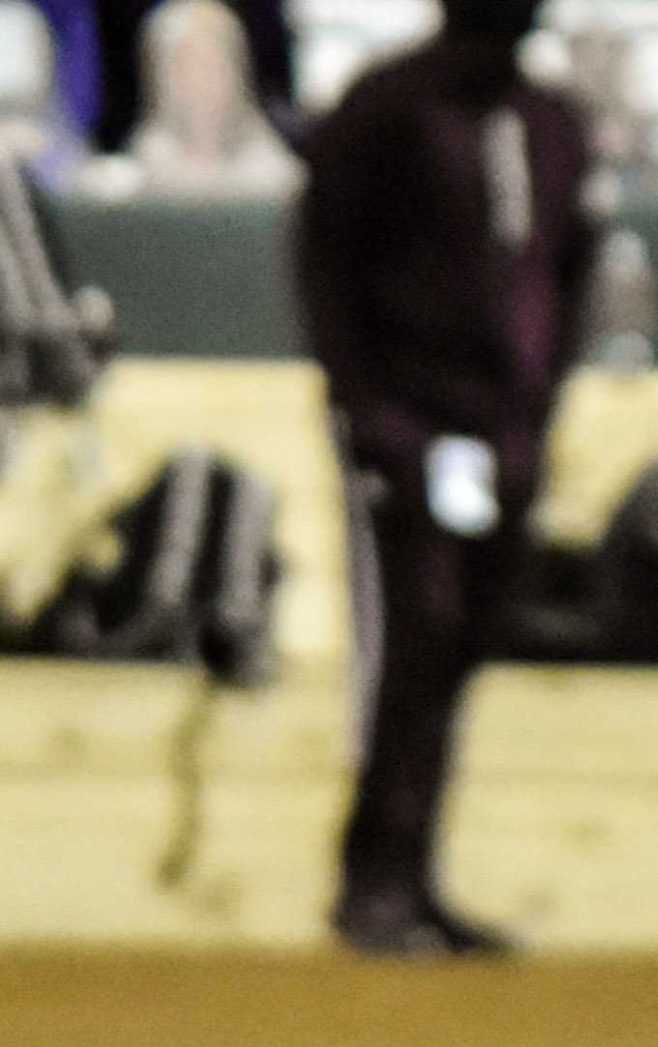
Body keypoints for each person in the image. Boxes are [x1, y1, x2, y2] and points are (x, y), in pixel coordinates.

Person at [293, 0, 598, 956]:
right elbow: (324, 265)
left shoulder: (551, 124)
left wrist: (541, 415)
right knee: (411, 641)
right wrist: (370, 414)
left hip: (500, 437)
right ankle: (371, 878)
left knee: (461, 644)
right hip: (408, 430)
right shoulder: (385, 109)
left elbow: (569, 272)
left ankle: (413, 877)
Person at [125, 0, 299, 197]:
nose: (203, 81)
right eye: (188, 67)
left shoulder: (274, 170)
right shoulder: (136, 174)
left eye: (214, 65)